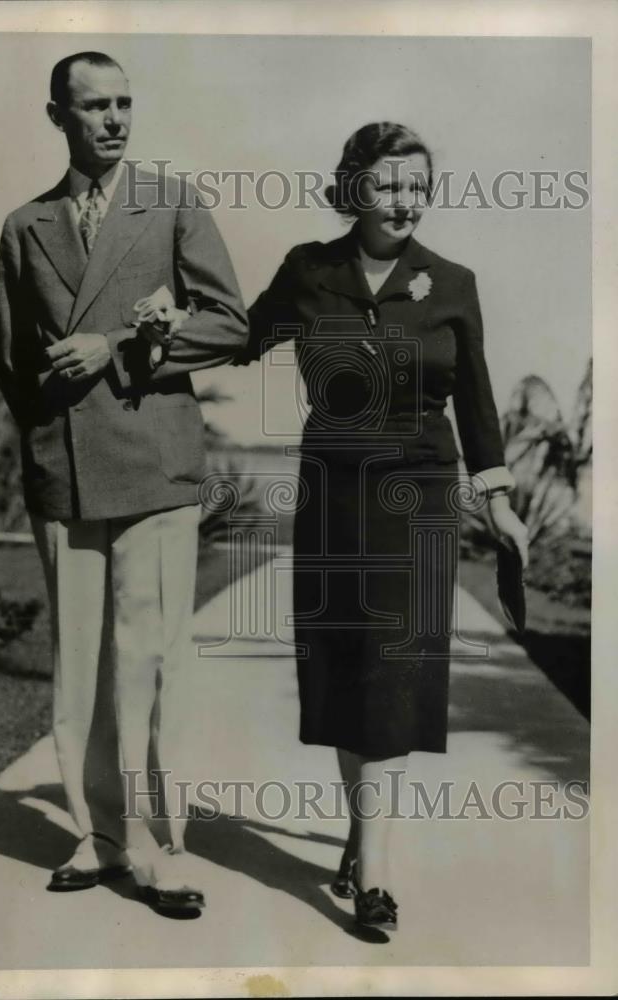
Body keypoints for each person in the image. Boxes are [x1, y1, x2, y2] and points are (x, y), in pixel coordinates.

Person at [239, 123, 528, 930]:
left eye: (417, 186)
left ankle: (377, 878)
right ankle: (366, 835)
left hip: (418, 496)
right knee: (343, 670)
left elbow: (476, 401)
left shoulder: (452, 282)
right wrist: (157, 334)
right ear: (354, 186)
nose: (406, 201)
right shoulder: (309, 271)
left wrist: (497, 501)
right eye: (390, 184)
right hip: (332, 491)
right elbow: (242, 334)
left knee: (392, 673)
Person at [0, 51, 247, 915]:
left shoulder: (171, 203)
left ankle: (160, 846)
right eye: (93, 106)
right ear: (56, 115)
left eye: (124, 104)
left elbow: (229, 324)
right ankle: (99, 835)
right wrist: (43, 415)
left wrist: (121, 344)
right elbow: (10, 356)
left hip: (153, 464)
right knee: (80, 662)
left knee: (151, 660)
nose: (113, 120)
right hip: (63, 468)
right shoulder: (24, 225)